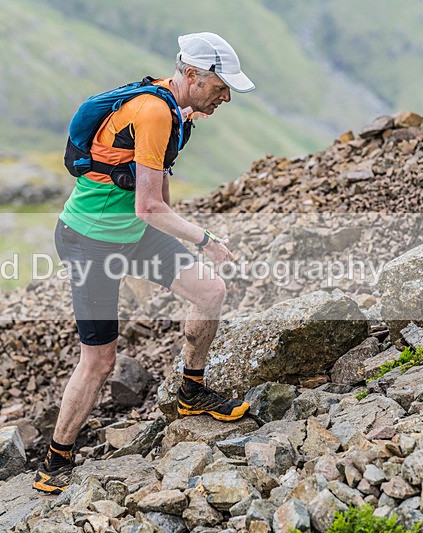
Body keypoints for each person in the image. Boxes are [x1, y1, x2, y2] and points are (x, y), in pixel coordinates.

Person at [33, 32, 256, 494]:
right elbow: (148, 206)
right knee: (100, 361)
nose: (227, 95)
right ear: (191, 74)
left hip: (135, 238)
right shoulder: (154, 110)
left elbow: (158, 188)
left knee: (210, 291)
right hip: (88, 242)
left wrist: (180, 235)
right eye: (221, 85)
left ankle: (191, 393)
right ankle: (55, 460)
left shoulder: (177, 111)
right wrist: (205, 239)